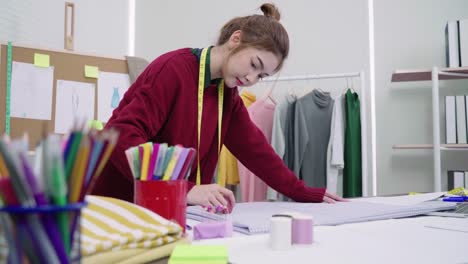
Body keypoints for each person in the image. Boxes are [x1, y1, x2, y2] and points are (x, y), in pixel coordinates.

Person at [91, 3, 347, 213]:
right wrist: (186, 189)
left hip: (165, 209)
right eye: (254, 64)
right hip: (118, 206)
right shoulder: (173, 70)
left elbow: (258, 152)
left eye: (261, 76)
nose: (251, 78)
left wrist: (303, 192)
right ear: (236, 39)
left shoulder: (228, 96)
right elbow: (121, 136)